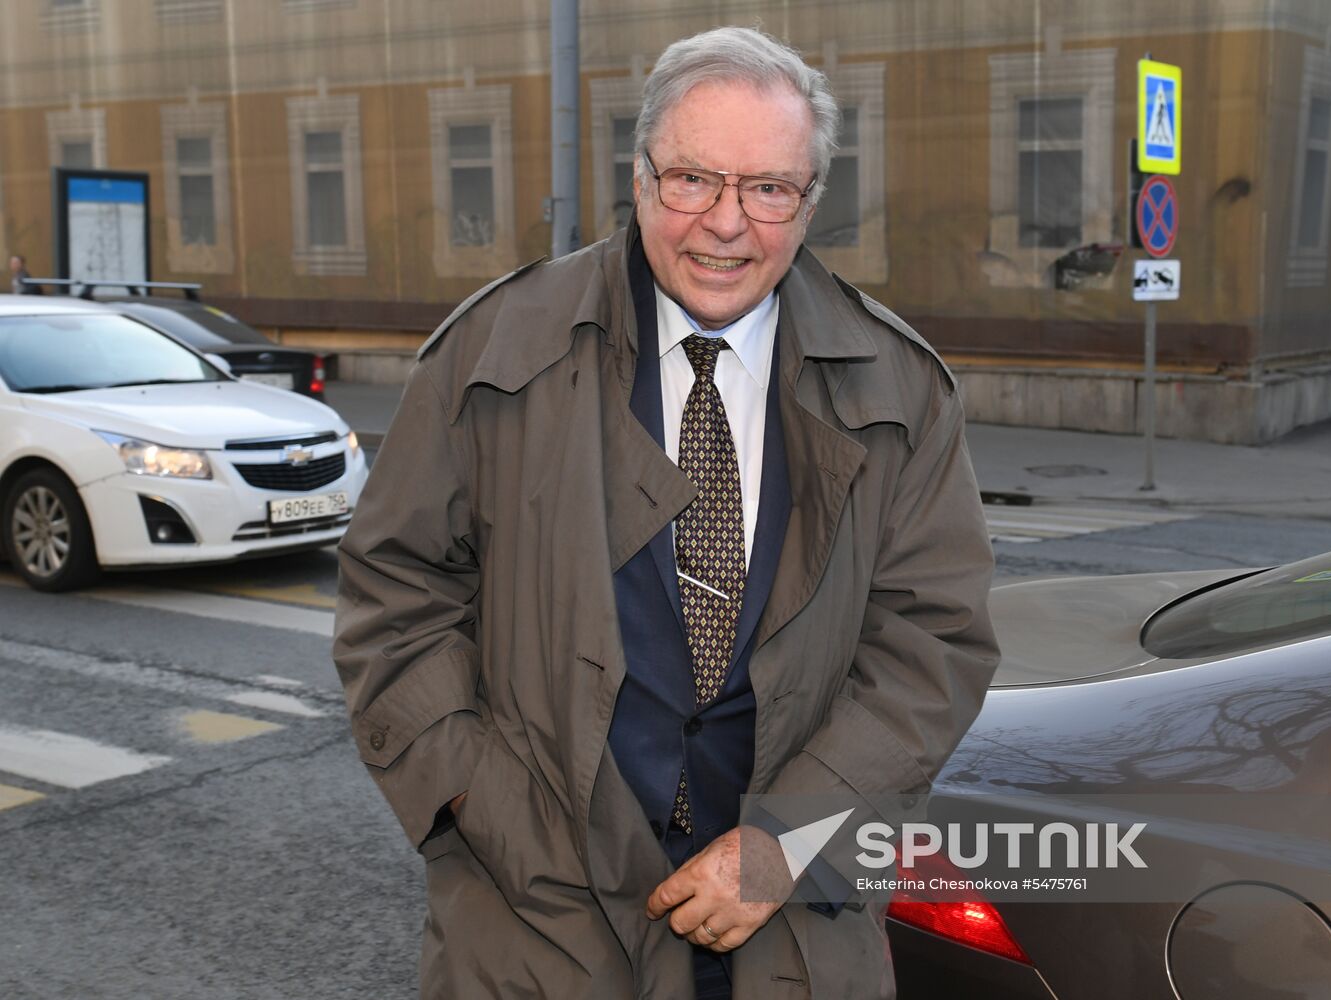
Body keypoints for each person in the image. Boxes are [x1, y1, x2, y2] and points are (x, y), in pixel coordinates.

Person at [334, 25, 999, 1000]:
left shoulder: (901, 387)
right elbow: (396, 594)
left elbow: (931, 640)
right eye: (691, 178)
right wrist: (484, 805)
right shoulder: (489, 354)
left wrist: (790, 840)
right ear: (639, 177)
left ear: (812, 201)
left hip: (791, 939)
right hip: (532, 931)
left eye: (768, 189)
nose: (726, 223)